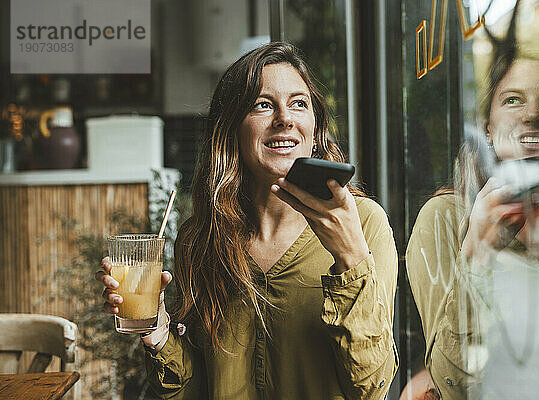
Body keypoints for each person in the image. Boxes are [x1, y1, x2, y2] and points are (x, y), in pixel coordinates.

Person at [96, 41, 399, 399]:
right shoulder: (201, 238)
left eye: (299, 104)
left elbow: (371, 388)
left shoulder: (364, 224)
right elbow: (194, 391)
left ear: (315, 132)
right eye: (263, 105)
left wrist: (351, 259)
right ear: (231, 131)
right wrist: (157, 327)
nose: (284, 118)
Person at [404, 4, 539, 396]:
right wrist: (477, 251)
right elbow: (454, 381)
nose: (532, 114)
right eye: (512, 99)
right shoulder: (444, 219)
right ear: (487, 130)